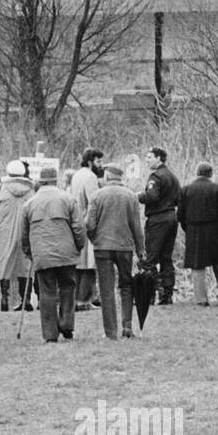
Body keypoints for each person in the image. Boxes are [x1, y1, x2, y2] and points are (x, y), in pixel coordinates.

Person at [21, 165, 86, 343]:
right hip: (66, 253)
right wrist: (79, 246)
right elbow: (79, 228)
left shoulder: (29, 204)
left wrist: (29, 253)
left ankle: (50, 334)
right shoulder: (68, 199)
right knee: (68, 288)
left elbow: (24, 235)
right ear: (55, 180)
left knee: (47, 292)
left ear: (40, 182)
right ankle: (66, 325)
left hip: (42, 255)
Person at [84, 163, 145, 340]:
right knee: (126, 286)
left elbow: (89, 224)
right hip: (125, 247)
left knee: (106, 289)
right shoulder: (131, 196)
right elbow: (137, 227)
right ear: (119, 177)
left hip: (102, 247)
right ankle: (127, 327)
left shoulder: (97, 196)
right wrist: (141, 250)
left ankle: (110, 332)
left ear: (107, 177)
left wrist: (94, 239)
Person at [177, 162, 218, 307]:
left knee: (197, 265)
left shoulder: (185, 190)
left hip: (193, 230)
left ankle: (201, 299)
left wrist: (188, 228)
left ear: (197, 172)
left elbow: (180, 215)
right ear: (211, 174)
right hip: (213, 230)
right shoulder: (217, 188)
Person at [0, 158, 35, 312]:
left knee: (3, 263)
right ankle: (25, 300)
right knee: (25, 263)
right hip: (25, 230)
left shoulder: (1, 188)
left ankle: (5, 300)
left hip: (4, 231)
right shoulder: (31, 189)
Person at [138, 145, 181, 306]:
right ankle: (167, 294)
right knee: (166, 257)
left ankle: (149, 295)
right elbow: (179, 198)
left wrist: (137, 196)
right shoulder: (173, 177)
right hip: (171, 217)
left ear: (159, 158)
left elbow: (152, 196)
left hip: (157, 219)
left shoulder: (155, 177)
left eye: (149, 157)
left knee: (150, 258)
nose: (147, 160)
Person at [71, 148, 104, 310]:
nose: (101, 165)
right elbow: (94, 201)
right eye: (98, 161)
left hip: (76, 221)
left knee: (79, 264)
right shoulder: (90, 177)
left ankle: (77, 299)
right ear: (90, 161)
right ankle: (84, 300)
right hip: (87, 223)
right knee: (89, 264)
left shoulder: (77, 175)